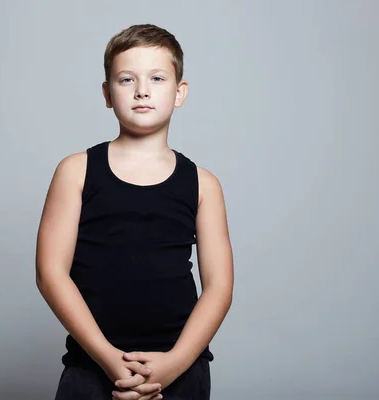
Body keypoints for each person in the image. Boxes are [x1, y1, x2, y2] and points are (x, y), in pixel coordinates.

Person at [36, 23, 234, 400]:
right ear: (107, 93)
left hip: (180, 368)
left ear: (179, 92)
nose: (142, 90)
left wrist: (174, 363)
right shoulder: (76, 171)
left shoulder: (203, 184)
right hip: (92, 365)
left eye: (157, 78)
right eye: (127, 79)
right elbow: (50, 274)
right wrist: (109, 358)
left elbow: (219, 288)